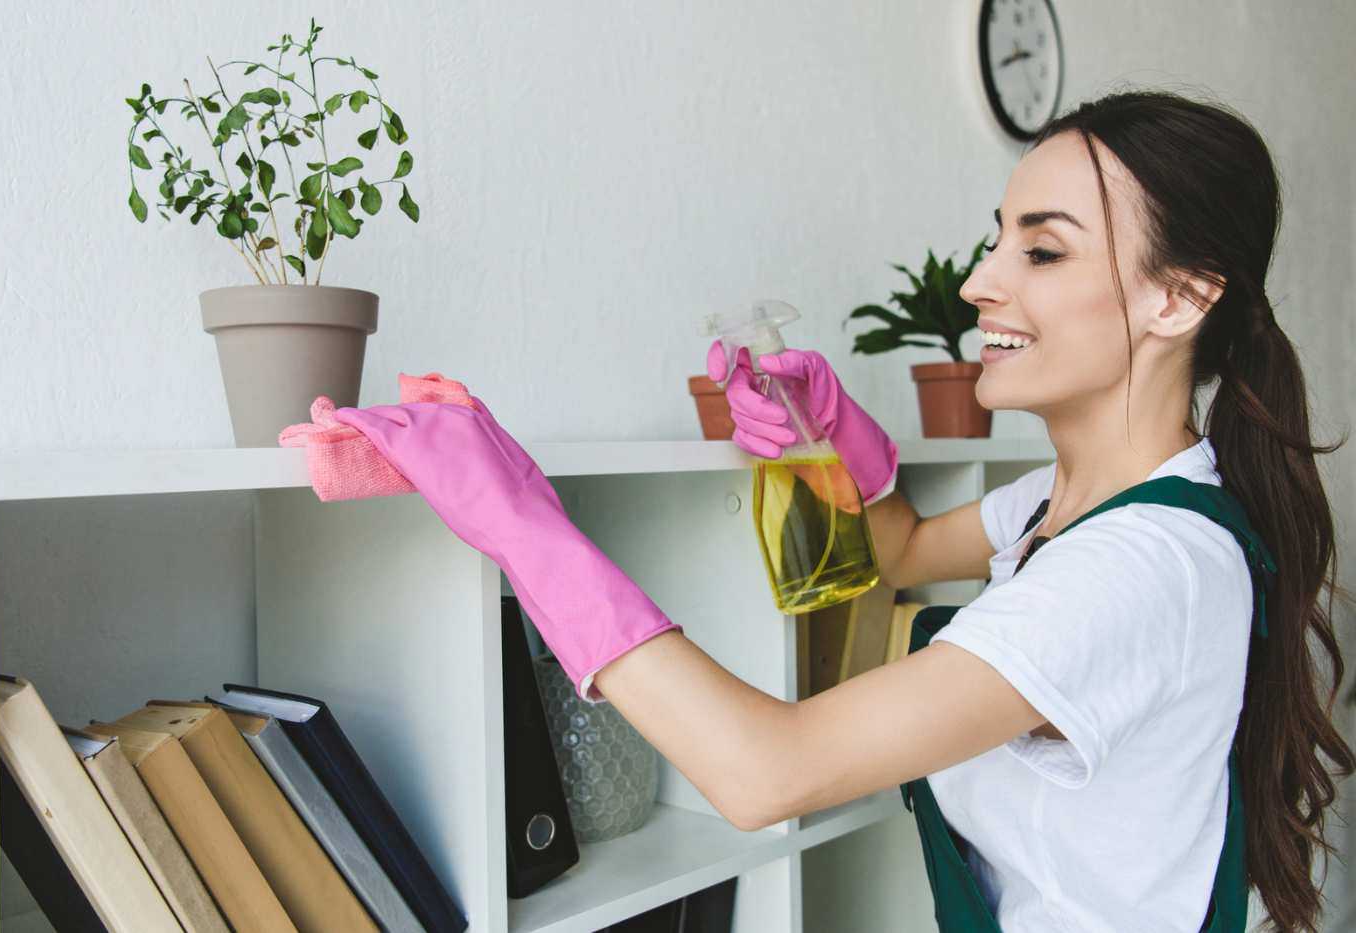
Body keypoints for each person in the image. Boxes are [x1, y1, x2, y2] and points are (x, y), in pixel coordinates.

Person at [334, 89, 1353, 932]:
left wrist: (519, 521)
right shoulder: (1071, 502)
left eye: (1040, 254)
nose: (978, 281)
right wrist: (833, 434)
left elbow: (763, 772)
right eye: (996, 240)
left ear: (1175, 299)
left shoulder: (1135, 568)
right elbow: (902, 551)